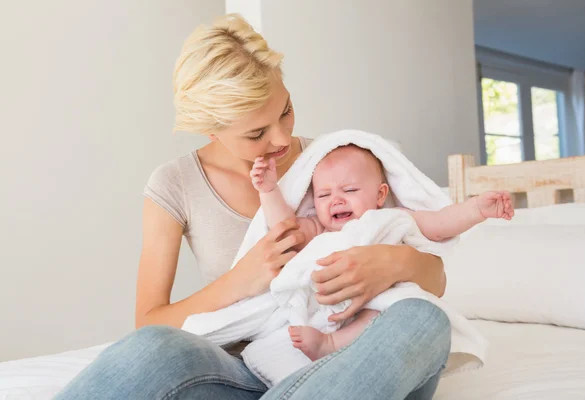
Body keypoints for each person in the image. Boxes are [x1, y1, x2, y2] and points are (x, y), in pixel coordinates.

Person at [56, 14, 454, 399]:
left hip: (355, 361)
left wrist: (392, 263)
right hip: (245, 370)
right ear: (212, 129)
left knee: (423, 321)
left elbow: (434, 278)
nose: (282, 138)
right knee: (152, 348)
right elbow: (148, 323)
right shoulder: (175, 184)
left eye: (285, 111)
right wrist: (241, 280)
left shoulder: (335, 162)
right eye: (257, 133)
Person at [250, 144, 513, 361]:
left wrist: (476, 210)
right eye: (324, 195)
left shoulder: (392, 218)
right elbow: (284, 231)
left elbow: (440, 224)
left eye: (350, 190)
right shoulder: (319, 228)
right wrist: (270, 191)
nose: (336, 200)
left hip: (378, 301)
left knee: (394, 309)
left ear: (380, 195)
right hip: (329, 306)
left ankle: (331, 344)